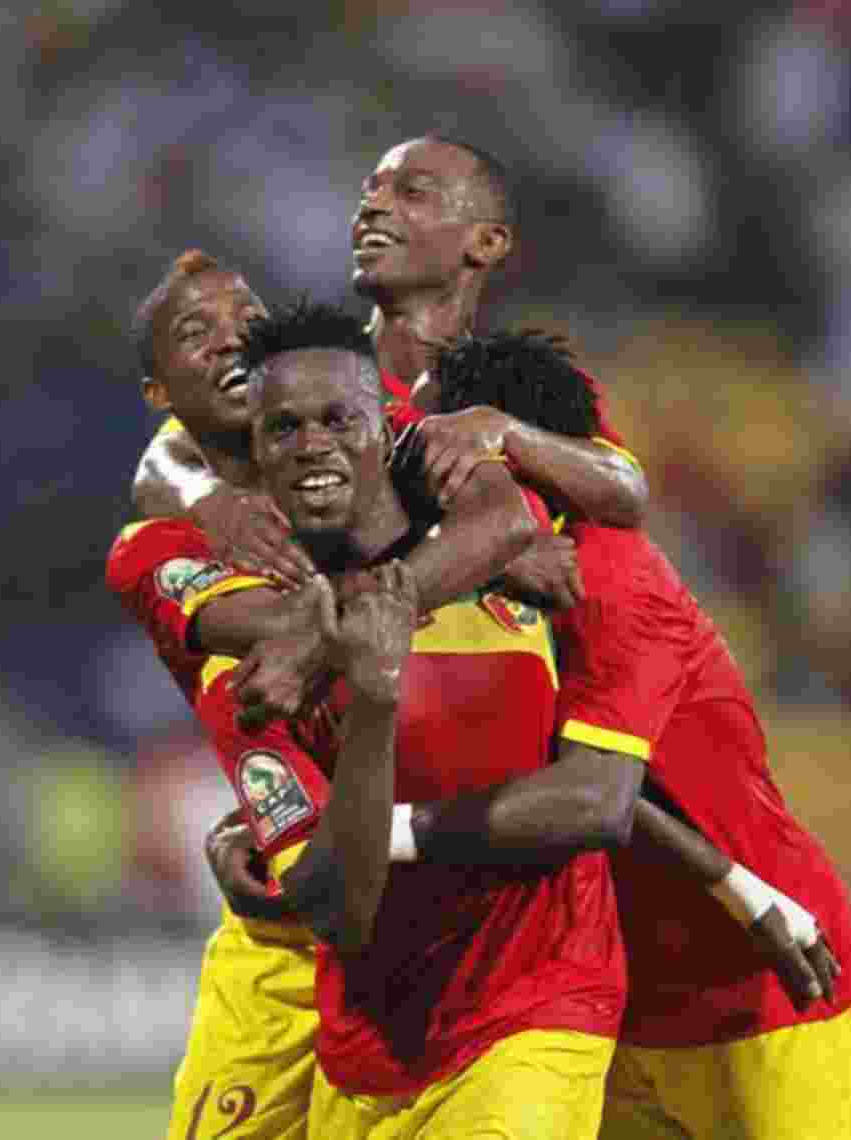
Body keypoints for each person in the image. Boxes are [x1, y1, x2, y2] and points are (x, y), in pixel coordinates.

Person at [111, 299, 637, 1139]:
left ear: (387, 429)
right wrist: (374, 688)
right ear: (252, 452)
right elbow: (338, 909)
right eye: (281, 428)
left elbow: (615, 782)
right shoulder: (245, 652)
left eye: (337, 420)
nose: (311, 443)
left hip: (539, 1004)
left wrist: (746, 891)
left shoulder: (527, 558)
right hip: (367, 1037)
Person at [414, 330, 851, 1140]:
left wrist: (381, 833)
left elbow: (595, 799)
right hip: (621, 1000)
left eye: (437, 459)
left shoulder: (611, 579)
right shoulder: (486, 592)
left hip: (768, 993)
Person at [130, 133, 647, 588]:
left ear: (487, 242)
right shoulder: (320, 372)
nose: (373, 205)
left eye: (411, 192)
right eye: (369, 191)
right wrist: (209, 501)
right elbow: (163, 461)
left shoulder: (512, 378)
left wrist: (504, 432)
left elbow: (624, 490)